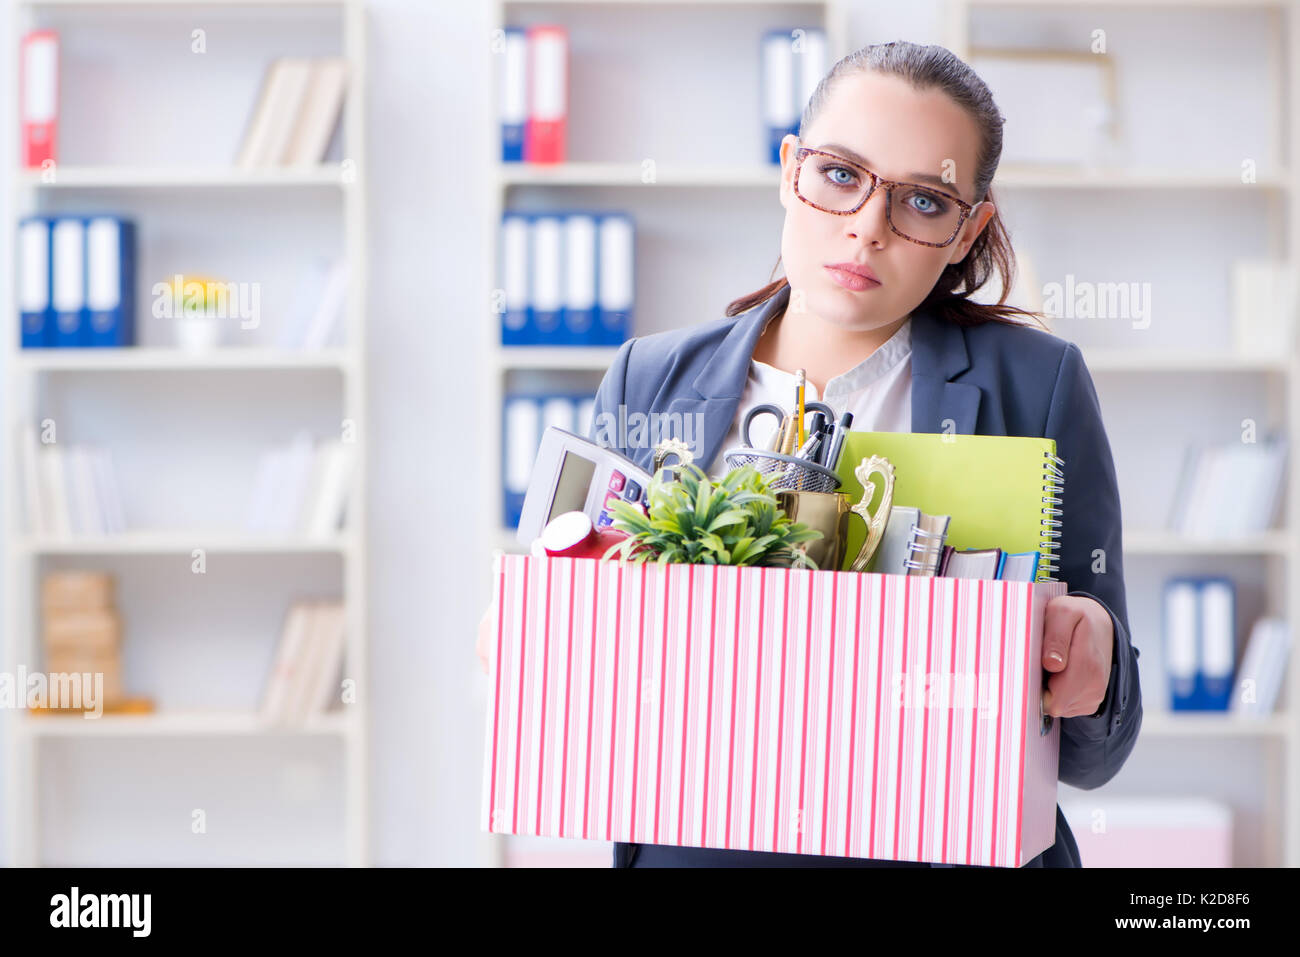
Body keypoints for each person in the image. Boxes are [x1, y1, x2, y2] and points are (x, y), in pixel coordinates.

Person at [478, 40, 1141, 868]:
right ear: (790, 169)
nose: (866, 227)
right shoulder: (648, 380)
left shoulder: (1036, 385)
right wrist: (542, 653)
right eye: (839, 174)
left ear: (968, 227)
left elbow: (1092, 756)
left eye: (924, 203)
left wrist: (1094, 663)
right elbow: (597, 717)